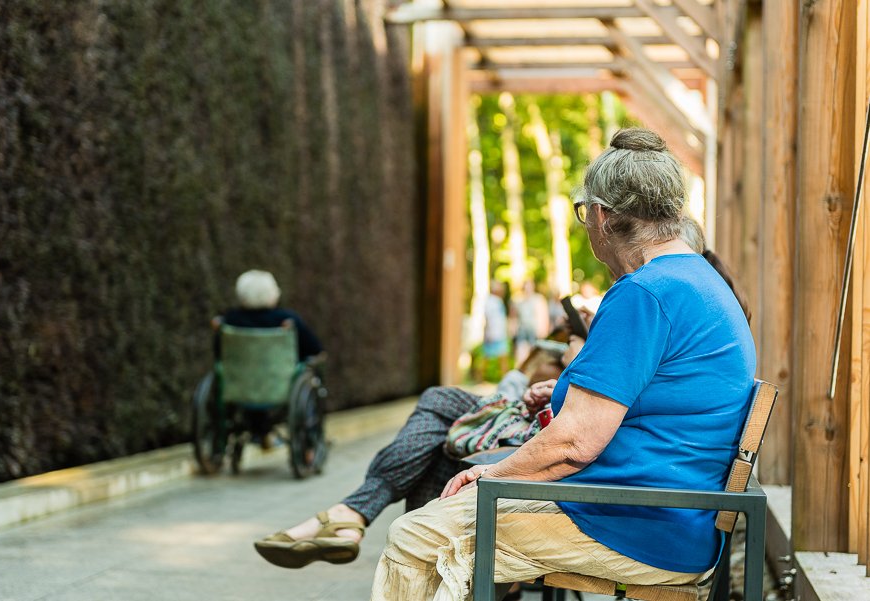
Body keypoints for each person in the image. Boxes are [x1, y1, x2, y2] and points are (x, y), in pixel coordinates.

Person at [369, 128, 756, 601]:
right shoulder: (698, 279)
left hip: (633, 523)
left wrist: (492, 475)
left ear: (599, 215)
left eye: (582, 215)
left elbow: (575, 444)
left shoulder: (643, 292)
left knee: (416, 538)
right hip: (670, 515)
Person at [252, 343, 581, 570]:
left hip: (553, 441)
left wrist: (575, 353)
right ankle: (352, 518)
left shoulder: (628, 297)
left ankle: (350, 514)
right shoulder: (628, 293)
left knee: (437, 417)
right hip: (546, 421)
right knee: (438, 418)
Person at [217, 269, 323, 362]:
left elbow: (219, 354)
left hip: (237, 381)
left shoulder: (230, 320)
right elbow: (315, 352)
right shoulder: (287, 318)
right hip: (282, 381)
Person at [512, 280, 551, 364]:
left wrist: (543, 330)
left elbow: (544, 315)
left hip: (535, 331)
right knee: (521, 354)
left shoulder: (539, 299)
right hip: (522, 330)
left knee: (534, 354)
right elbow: (514, 317)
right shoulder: (518, 300)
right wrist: (513, 330)